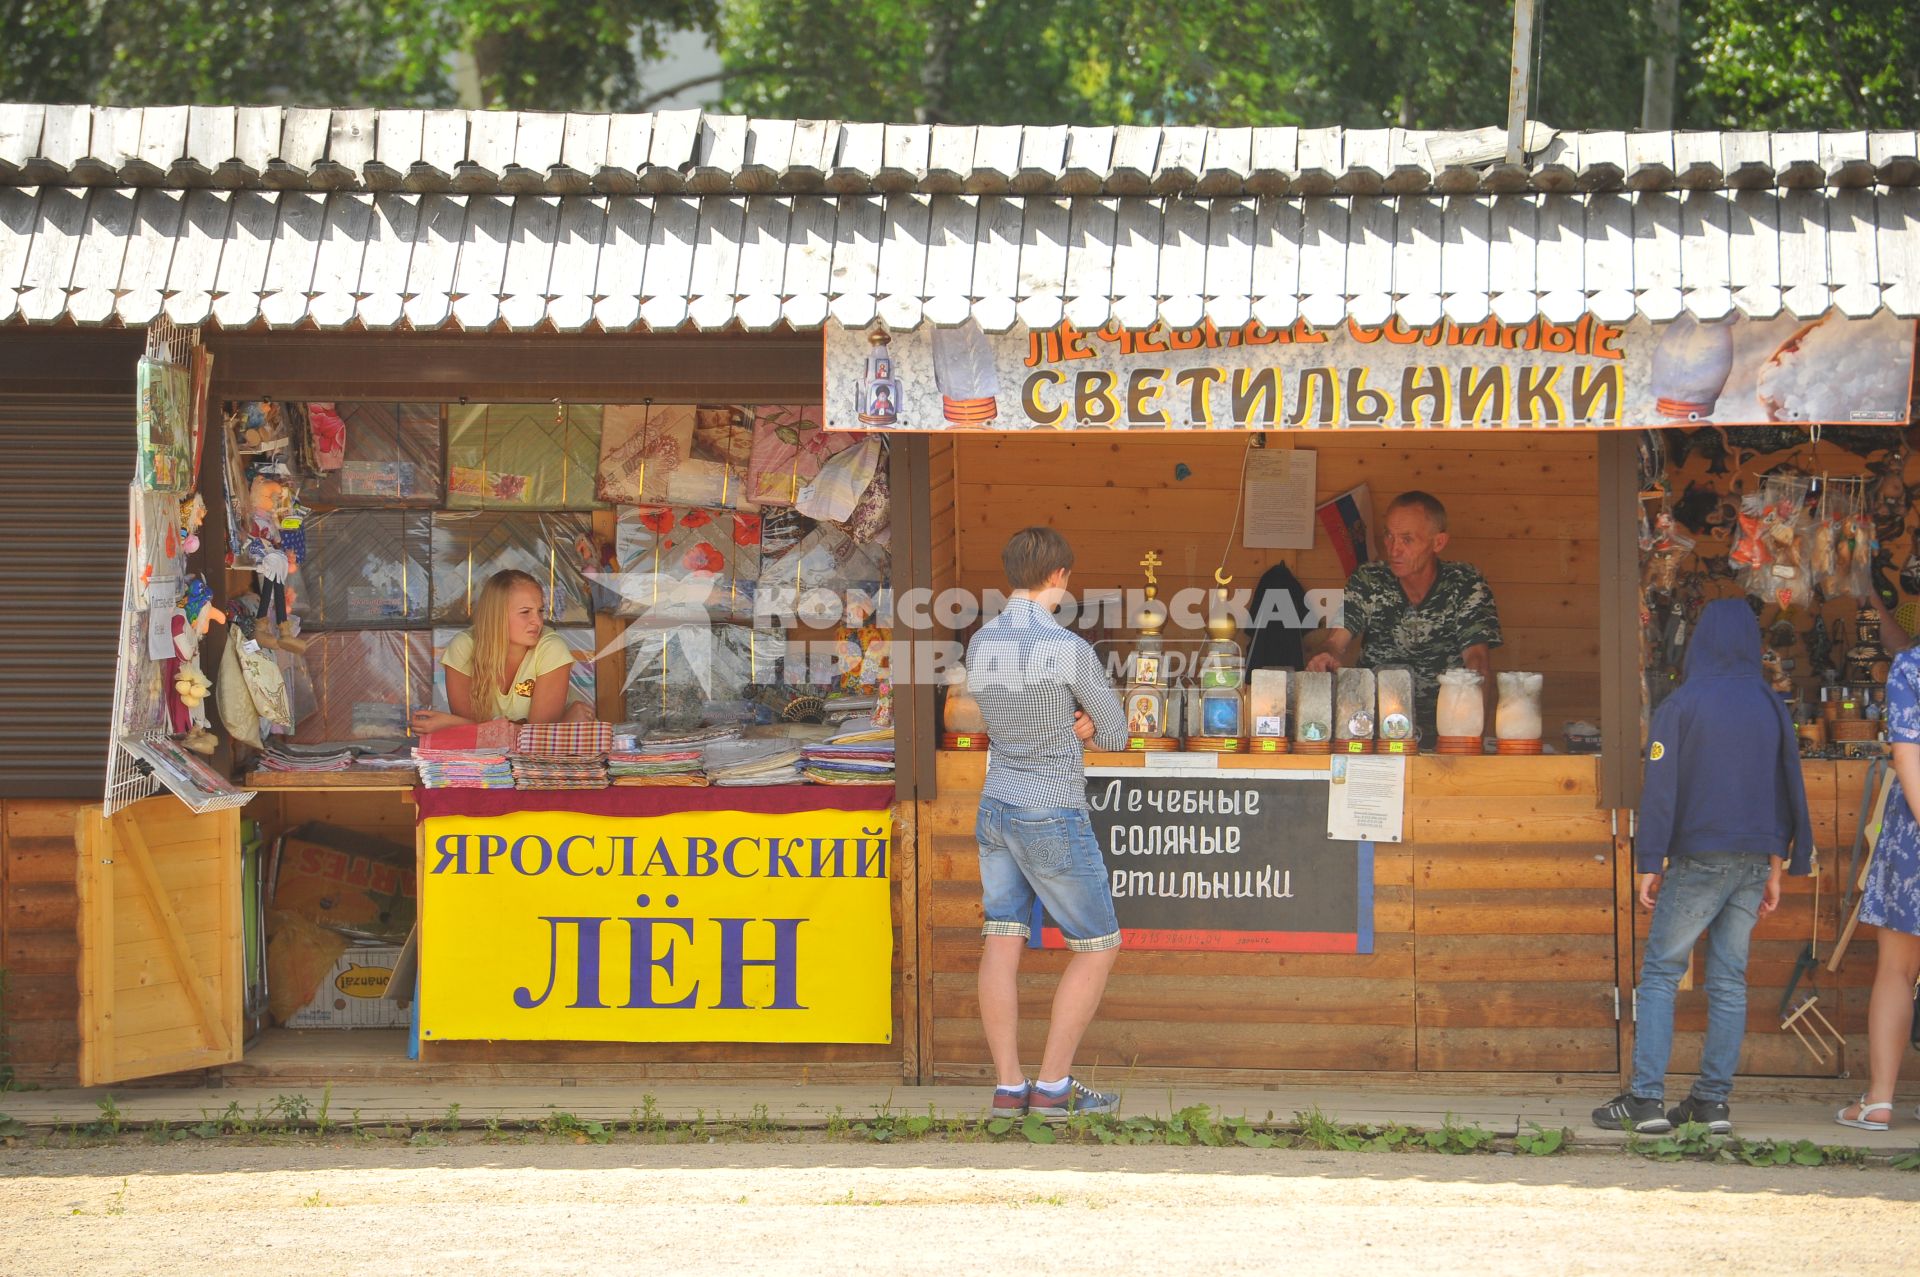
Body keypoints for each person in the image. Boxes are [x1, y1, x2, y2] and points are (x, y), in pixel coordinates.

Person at [1594, 599, 1813, 1135]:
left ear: (1700, 641)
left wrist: (1650, 859)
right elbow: (1789, 784)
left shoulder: (1682, 704)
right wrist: (1781, 860)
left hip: (1698, 859)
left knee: (1664, 973)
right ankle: (1712, 1103)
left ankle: (1646, 1101)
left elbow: (1661, 788)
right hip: (1752, 863)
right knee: (1729, 981)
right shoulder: (1770, 704)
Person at [965, 526, 1129, 1119]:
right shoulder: (1068, 648)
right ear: (1059, 576)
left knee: (1002, 938)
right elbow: (1115, 731)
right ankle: (1054, 1084)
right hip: (1051, 807)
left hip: (997, 804)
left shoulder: (981, 643)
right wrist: (1081, 726)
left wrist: (1065, 725)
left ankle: (1010, 1086)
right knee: (1097, 944)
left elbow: (1006, 723)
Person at [1307, 491, 1500, 739]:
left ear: (1438, 543)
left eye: (1407, 540)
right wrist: (1327, 655)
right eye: (1389, 535)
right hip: (1373, 731)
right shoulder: (1369, 580)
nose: (1393, 549)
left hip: (1446, 732)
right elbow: (1336, 642)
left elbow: (1477, 662)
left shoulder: (1465, 584)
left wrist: (1471, 740)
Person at [1833, 640, 1920, 1133]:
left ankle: (1879, 1101)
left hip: (1913, 834)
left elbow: (1908, 757)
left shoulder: (1911, 665)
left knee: (1897, 969)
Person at [411, 569, 594, 733]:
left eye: (539, 611)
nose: (537, 621)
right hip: (492, 765)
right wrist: (562, 724)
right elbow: (476, 740)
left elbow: (537, 739)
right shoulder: (464, 647)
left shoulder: (551, 648)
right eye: (525, 612)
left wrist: (452, 725)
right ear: (496, 615)